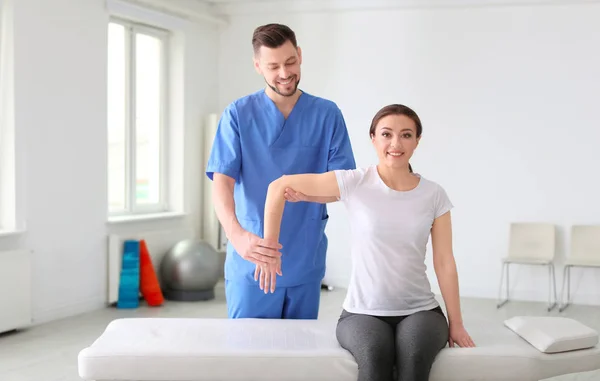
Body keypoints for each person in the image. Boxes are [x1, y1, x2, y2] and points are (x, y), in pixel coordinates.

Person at [259, 104, 475, 381]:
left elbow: (444, 262)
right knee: (374, 358)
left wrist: (456, 323)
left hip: (421, 311)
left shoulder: (434, 194)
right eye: (386, 134)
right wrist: (269, 248)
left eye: (406, 135)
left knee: (413, 357)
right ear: (373, 138)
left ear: (417, 141)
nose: (396, 143)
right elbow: (279, 186)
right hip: (362, 313)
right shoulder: (354, 182)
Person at [205, 23, 356, 320]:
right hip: (252, 257)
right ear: (258, 66)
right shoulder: (238, 115)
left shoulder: (327, 115)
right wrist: (235, 235)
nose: (285, 74)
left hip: (304, 258)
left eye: (290, 62)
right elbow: (221, 184)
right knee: (249, 355)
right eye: (273, 66)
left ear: (299, 55)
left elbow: (343, 183)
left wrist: (310, 192)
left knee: (300, 357)